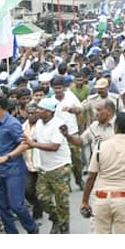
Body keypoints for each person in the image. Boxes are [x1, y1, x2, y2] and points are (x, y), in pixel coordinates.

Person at [0, 95, 39, 234]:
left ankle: (32, 228)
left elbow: (25, 144)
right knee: (0, 204)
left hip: (14, 169)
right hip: (2, 170)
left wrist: (7, 157)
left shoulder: (12, 124)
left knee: (16, 205)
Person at [26, 98, 74, 234]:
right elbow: (33, 139)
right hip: (44, 168)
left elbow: (54, 146)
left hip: (60, 167)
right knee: (42, 199)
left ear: (49, 112)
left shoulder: (59, 124)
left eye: (41, 109)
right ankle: (56, 219)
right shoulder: (39, 124)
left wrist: (33, 145)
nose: (37, 111)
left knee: (62, 202)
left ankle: (64, 229)